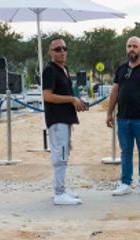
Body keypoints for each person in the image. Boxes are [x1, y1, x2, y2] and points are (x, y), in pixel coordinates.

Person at [106, 36, 140, 196]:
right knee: (125, 152)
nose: (132, 49)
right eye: (129, 46)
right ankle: (125, 183)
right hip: (123, 119)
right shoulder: (121, 69)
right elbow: (115, 91)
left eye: (135, 46)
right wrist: (109, 113)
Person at [42, 37, 88, 206]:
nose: (62, 51)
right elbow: (47, 95)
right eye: (57, 49)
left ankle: (61, 188)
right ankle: (59, 193)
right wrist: (70, 99)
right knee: (60, 153)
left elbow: (67, 95)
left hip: (66, 118)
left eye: (64, 48)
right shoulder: (49, 70)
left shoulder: (64, 70)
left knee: (64, 152)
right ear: (50, 52)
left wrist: (76, 102)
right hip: (56, 119)